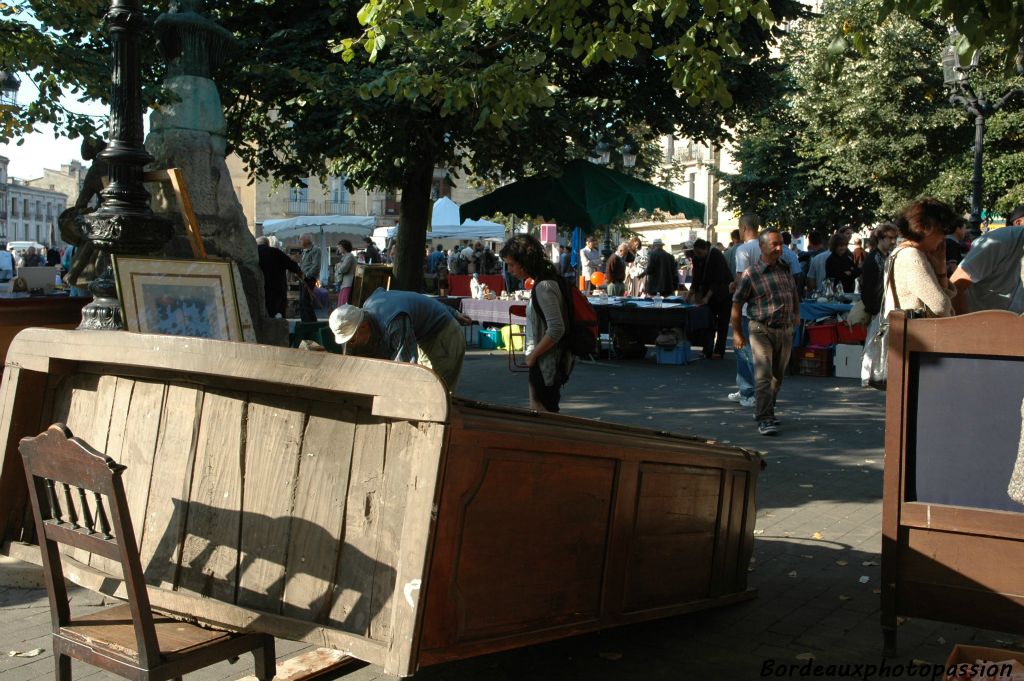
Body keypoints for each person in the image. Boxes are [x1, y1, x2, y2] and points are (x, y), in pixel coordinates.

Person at [329, 288, 472, 390]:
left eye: (352, 340)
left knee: (435, 391)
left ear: (364, 327)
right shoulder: (371, 306)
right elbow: (412, 297)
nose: (351, 345)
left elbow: (406, 367)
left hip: (444, 335)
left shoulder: (395, 321)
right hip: (425, 336)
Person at [731, 228, 800, 436]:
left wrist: (796, 312)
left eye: (781, 244)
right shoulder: (751, 273)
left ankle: (765, 409)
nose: (780, 248)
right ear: (762, 247)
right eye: (775, 245)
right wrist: (736, 332)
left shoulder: (785, 268)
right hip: (760, 328)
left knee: (777, 377)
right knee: (763, 375)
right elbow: (736, 302)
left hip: (785, 330)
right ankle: (765, 418)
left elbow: (793, 292)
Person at [500, 234, 574, 412]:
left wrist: (533, 356)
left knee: (543, 416)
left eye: (511, 264)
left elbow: (556, 329)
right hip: (544, 362)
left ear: (524, 261)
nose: (509, 270)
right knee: (541, 413)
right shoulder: (545, 281)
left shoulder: (544, 286)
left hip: (545, 363)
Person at [886, 198, 958, 318]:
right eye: (943, 230)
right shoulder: (912, 256)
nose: (943, 237)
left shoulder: (903, 252)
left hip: (908, 333)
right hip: (915, 334)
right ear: (928, 228)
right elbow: (940, 305)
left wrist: (940, 268)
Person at [950, 205, 1024, 314]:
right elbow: (955, 286)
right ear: (1018, 223)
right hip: (977, 325)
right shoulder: (998, 241)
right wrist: (965, 326)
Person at [729, 214, 762, 408]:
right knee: (754, 352)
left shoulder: (743, 250)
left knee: (744, 350)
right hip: (762, 304)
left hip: (747, 306)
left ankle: (750, 392)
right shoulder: (767, 247)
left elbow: (742, 279)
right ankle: (745, 388)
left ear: (743, 228)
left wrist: (734, 286)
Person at [688, 239, 733, 359]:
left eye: (700, 253)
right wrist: (689, 296)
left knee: (722, 323)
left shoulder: (716, 255)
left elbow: (718, 280)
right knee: (708, 322)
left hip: (723, 293)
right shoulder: (697, 258)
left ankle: (719, 350)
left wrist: (706, 298)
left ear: (706, 249)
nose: (698, 256)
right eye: (696, 253)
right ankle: (707, 349)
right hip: (709, 293)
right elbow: (696, 279)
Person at [257, 236, 302, 318]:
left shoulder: (254, 252)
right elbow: (293, 266)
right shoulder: (275, 251)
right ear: (267, 243)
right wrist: (300, 272)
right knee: (278, 313)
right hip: (277, 286)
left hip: (259, 287)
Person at [859, 223, 898, 317]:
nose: (893, 241)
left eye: (895, 238)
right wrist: (874, 310)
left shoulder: (889, 255)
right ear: (880, 238)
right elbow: (868, 288)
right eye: (890, 237)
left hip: (888, 308)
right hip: (877, 312)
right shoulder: (872, 258)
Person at [298, 233, 321, 322]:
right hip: (303, 278)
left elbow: (316, 266)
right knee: (302, 301)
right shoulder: (305, 251)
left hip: (309, 278)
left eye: (301, 239)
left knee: (305, 301)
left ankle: (311, 322)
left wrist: (306, 275)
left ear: (307, 240)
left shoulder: (315, 250)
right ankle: (304, 321)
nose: (299, 241)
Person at [334, 239, 357, 306]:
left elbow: (343, 269)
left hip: (348, 283)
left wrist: (338, 266)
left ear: (344, 247)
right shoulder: (346, 256)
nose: (338, 249)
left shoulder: (349, 256)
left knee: (343, 303)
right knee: (341, 302)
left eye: (339, 247)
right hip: (344, 283)